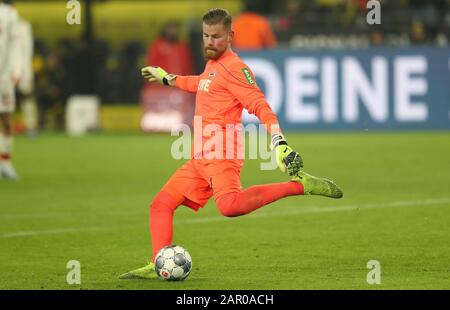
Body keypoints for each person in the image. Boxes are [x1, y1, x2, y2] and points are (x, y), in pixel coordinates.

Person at [119, 8, 343, 279]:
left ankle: (301, 185)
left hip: (222, 153)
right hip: (200, 158)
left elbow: (260, 105)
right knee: (160, 205)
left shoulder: (236, 68)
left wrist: (278, 141)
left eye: (216, 36)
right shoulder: (212, 64)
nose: (209, 41)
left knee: (229, 206)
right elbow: (201, 84)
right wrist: (168, 78)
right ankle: (158, 264)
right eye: (205, 35)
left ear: (230, 36)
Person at [0, 0, 22, 180]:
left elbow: (16, 45)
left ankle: (5, 162)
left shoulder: (9, 14)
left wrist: (16, 70)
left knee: (6, 118)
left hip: (3, 76)